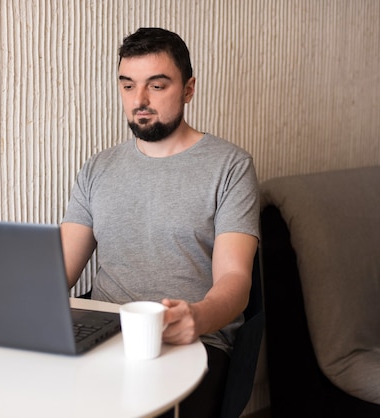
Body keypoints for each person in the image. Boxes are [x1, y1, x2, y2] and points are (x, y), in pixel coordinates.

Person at [61, 27, 260, 418]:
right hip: (104, 333)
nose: (139, 101)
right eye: (128, 85)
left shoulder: (230, 166)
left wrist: (198, 318)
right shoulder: (98, 168)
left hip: (190, 343)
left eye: (157, 85)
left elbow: (236, 282)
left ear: (188, 89)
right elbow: (60, 269)